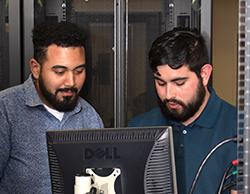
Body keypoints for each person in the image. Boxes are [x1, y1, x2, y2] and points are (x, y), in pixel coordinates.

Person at [128, 28, 237, 194]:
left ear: (205, 74)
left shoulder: (238, 129)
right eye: (161, 83)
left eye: (179, 83)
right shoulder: (139, 128)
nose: (169, 94)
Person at [0, 22, 103, 194]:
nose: (70, 82)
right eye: (60, 72)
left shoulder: (90, 117)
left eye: (79, 71)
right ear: (35, 68)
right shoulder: (5, 110)